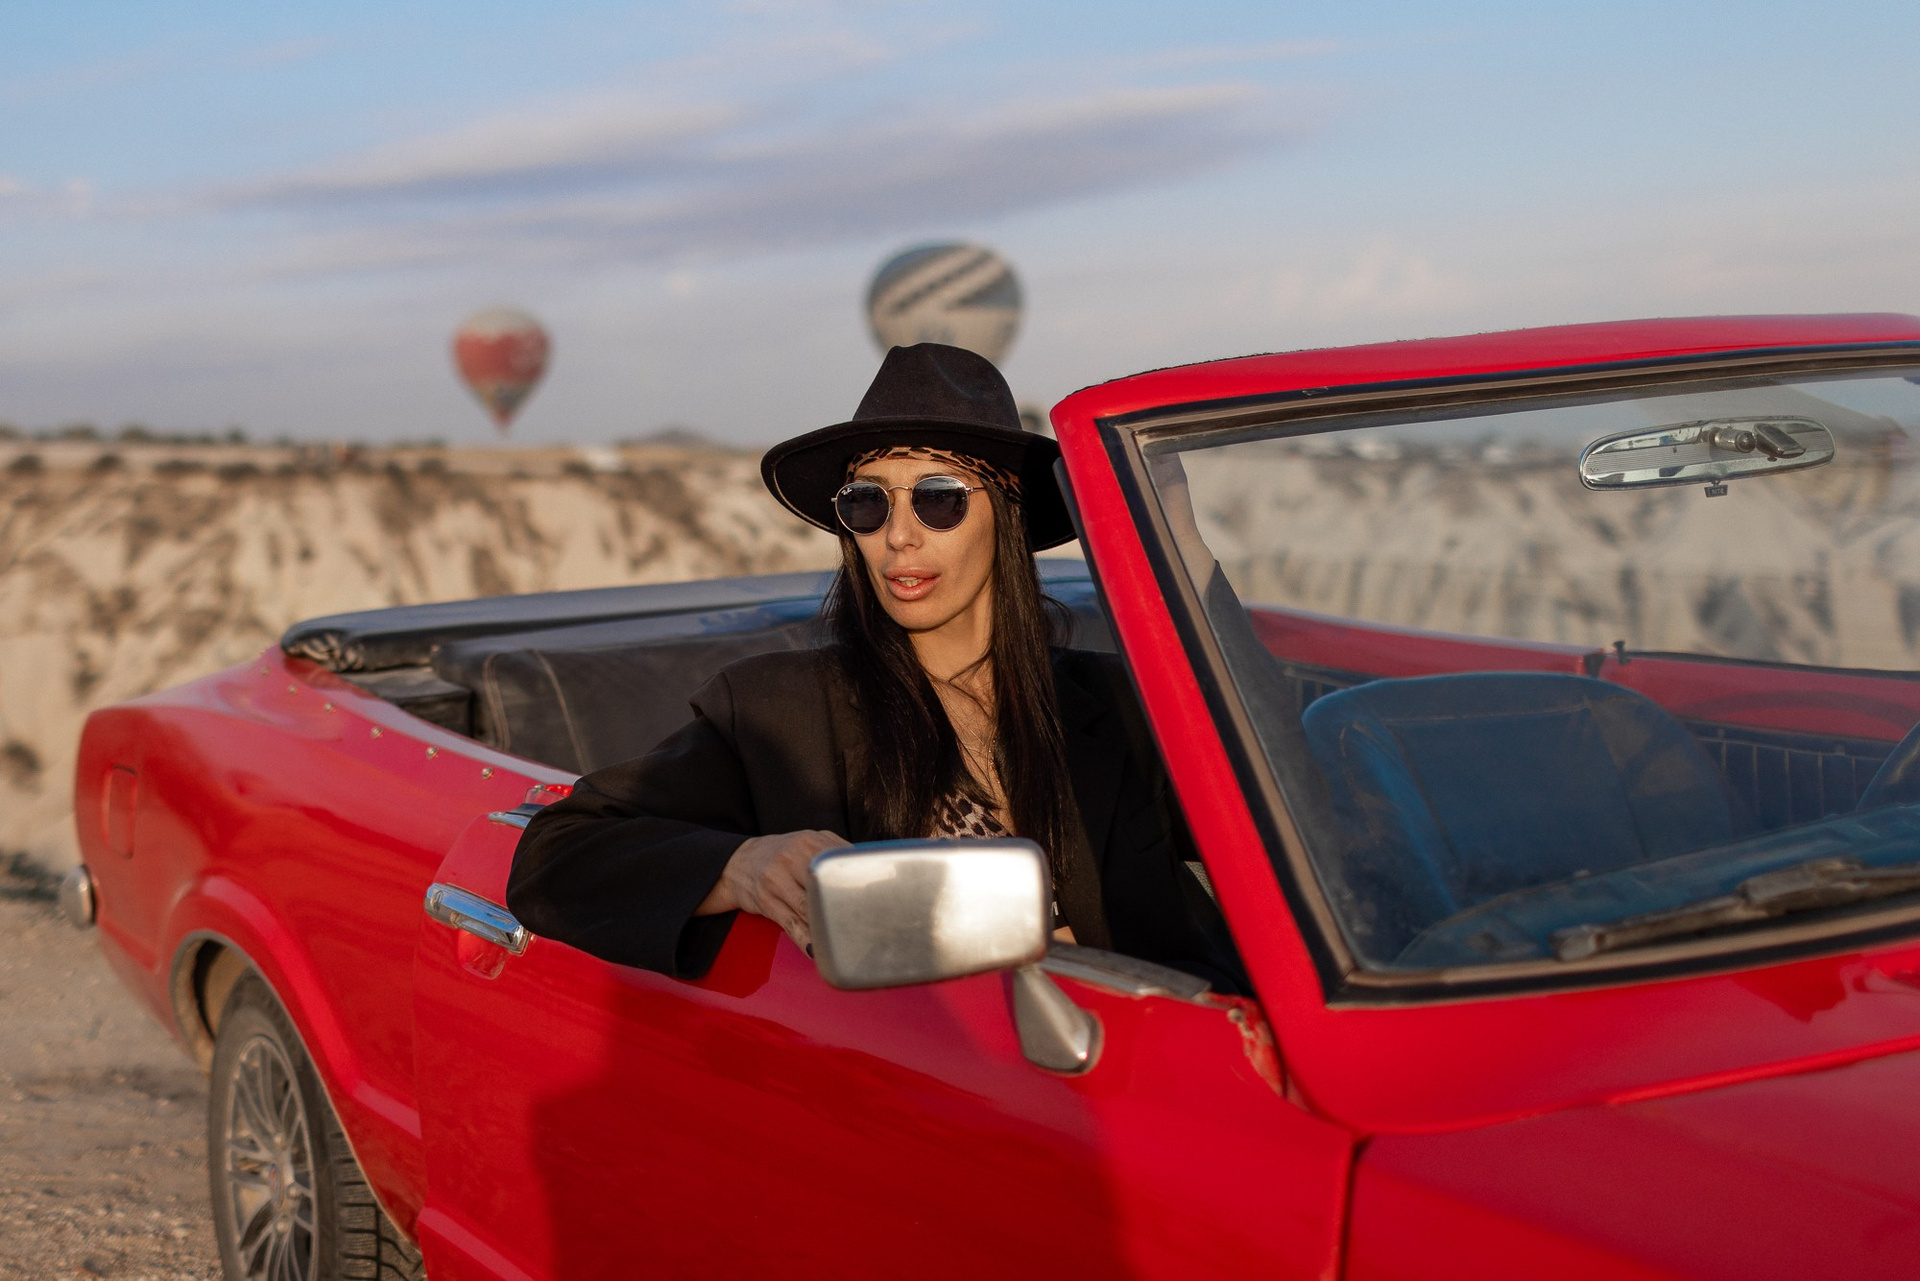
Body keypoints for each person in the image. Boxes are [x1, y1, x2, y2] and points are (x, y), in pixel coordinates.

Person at [506, 343, 1241, 989]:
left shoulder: (1113, 700)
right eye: (867, 503)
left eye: (939, 500)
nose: (898, 536)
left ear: (1008, 514)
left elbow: (1270, 781)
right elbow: (556, 856)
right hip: (937, 1084)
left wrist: (1181, 545)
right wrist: (743, 867)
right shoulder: (781, 714)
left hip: (1159, 1076)